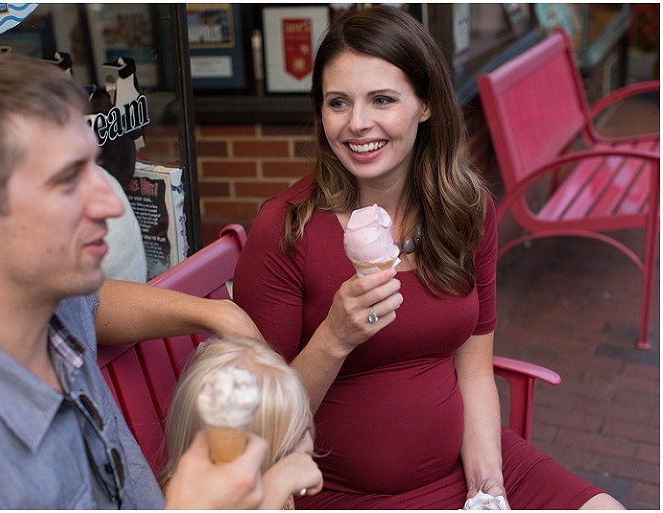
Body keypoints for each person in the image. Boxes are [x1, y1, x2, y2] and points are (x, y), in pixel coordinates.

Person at [232, 5, 625, 510]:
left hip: (465, 463)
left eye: (381, 99)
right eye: (337, 102)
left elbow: (475, 367)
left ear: (426, 105)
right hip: (343, 494)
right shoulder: (287, 229)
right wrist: (334, 338)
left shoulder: (465, 210)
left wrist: (488, 485)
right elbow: (260, 426)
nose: (357, 124)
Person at [0, 51, 273, 510]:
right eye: (67, 179)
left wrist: (218, 312)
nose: (112, 204)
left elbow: (97, 302)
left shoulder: (47, 299)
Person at [158, 335, 324, 509]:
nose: (307, 448)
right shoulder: (187, 501)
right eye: (285, 452)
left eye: (305, 429)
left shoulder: (279, 478)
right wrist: (277, 487)